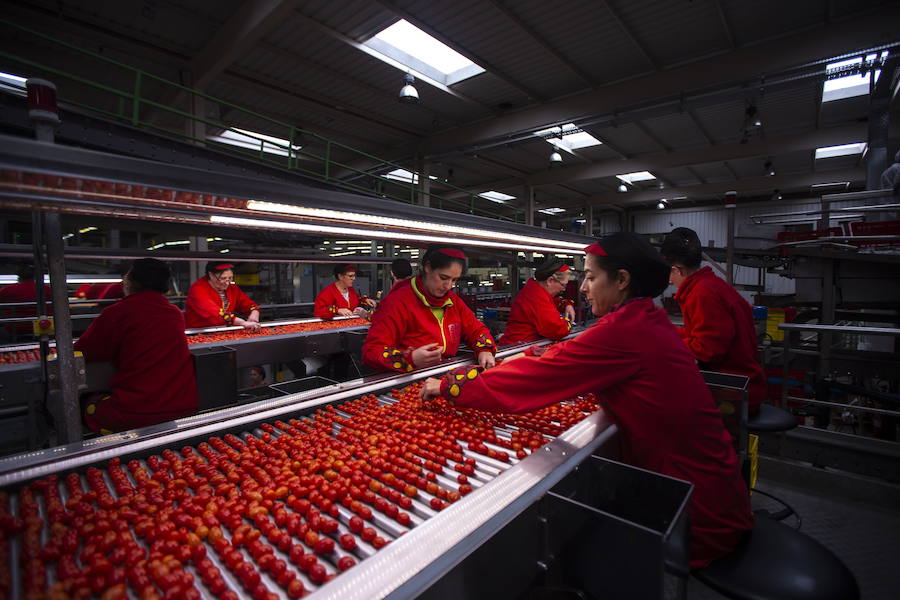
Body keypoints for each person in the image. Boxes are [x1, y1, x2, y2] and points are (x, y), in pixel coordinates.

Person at [420, 232, 754, 569]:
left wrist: (451, 386)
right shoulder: (643, 319)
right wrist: (529, 356)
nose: (581, 288)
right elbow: (564, 353)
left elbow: (537, 380)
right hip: (701, 488)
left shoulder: (626, 332)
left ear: (622, 280)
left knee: (578, 553)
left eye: (591, 277)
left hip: (696, 513)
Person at [74, 258, 198, 433]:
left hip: (136, 412)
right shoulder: (175, 313)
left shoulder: (117, 312)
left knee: (84, 403)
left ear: (133, 281)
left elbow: (84, 351)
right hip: (184, 406)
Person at [661, 227, 767, 414]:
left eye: (669, 276)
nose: (670, 282)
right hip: (737, 384)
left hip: (734, 393)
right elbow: (699, 334)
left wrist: (665, 346)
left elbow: (706, 350)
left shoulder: (702, 293)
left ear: (676, 270)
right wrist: (664, 331)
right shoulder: (710, 286)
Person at [363, 244, 497, 373]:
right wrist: (411, 358)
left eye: (454, 280)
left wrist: (484, 350)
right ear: (427, 267)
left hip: (443, 374)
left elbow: (476, 329)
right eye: (443, 277)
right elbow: (372, 351)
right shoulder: (397, 302)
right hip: (408, 380)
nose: (448, 286)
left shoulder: (453, 301)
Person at [499, 258, 574, 345]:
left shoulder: (535, 290)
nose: (563, 289)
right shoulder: (536, 296)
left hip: (523, 345)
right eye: (563, 285)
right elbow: (557, 329)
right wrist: (568, 322)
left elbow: (552, 302)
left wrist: (567, 304)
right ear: (550, 281)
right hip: (518, 349)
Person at [184, 262, 260, 330]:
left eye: (230, 278)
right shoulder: (198, 289)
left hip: (223, 330)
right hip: (199, 332)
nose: (227, 283)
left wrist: (254, 312)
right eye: (223, 278)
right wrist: (242, 323)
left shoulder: (232, 288)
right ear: (211, 275)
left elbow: (247, 303)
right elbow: (213, 314)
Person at [0, 265, 52, 337]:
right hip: (41, 326)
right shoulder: (46, 289)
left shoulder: (7, 290)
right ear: (34, 277)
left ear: (19, 277)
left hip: (14, 328)